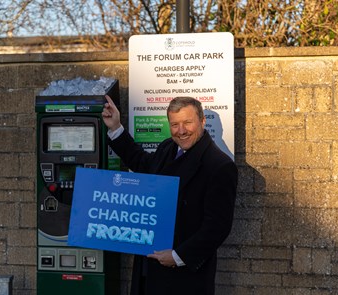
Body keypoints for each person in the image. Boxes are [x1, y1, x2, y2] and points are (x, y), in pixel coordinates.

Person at [102, 95, 238, 295]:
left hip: (184, 277)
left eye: (187, 123)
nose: (181, 131)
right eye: (175, 124)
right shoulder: (168, 147)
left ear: (202, 121)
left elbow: (217, 227)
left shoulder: (219, 166)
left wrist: (177, 256)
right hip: (150, 266)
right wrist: (115, 128)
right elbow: (143, 164)